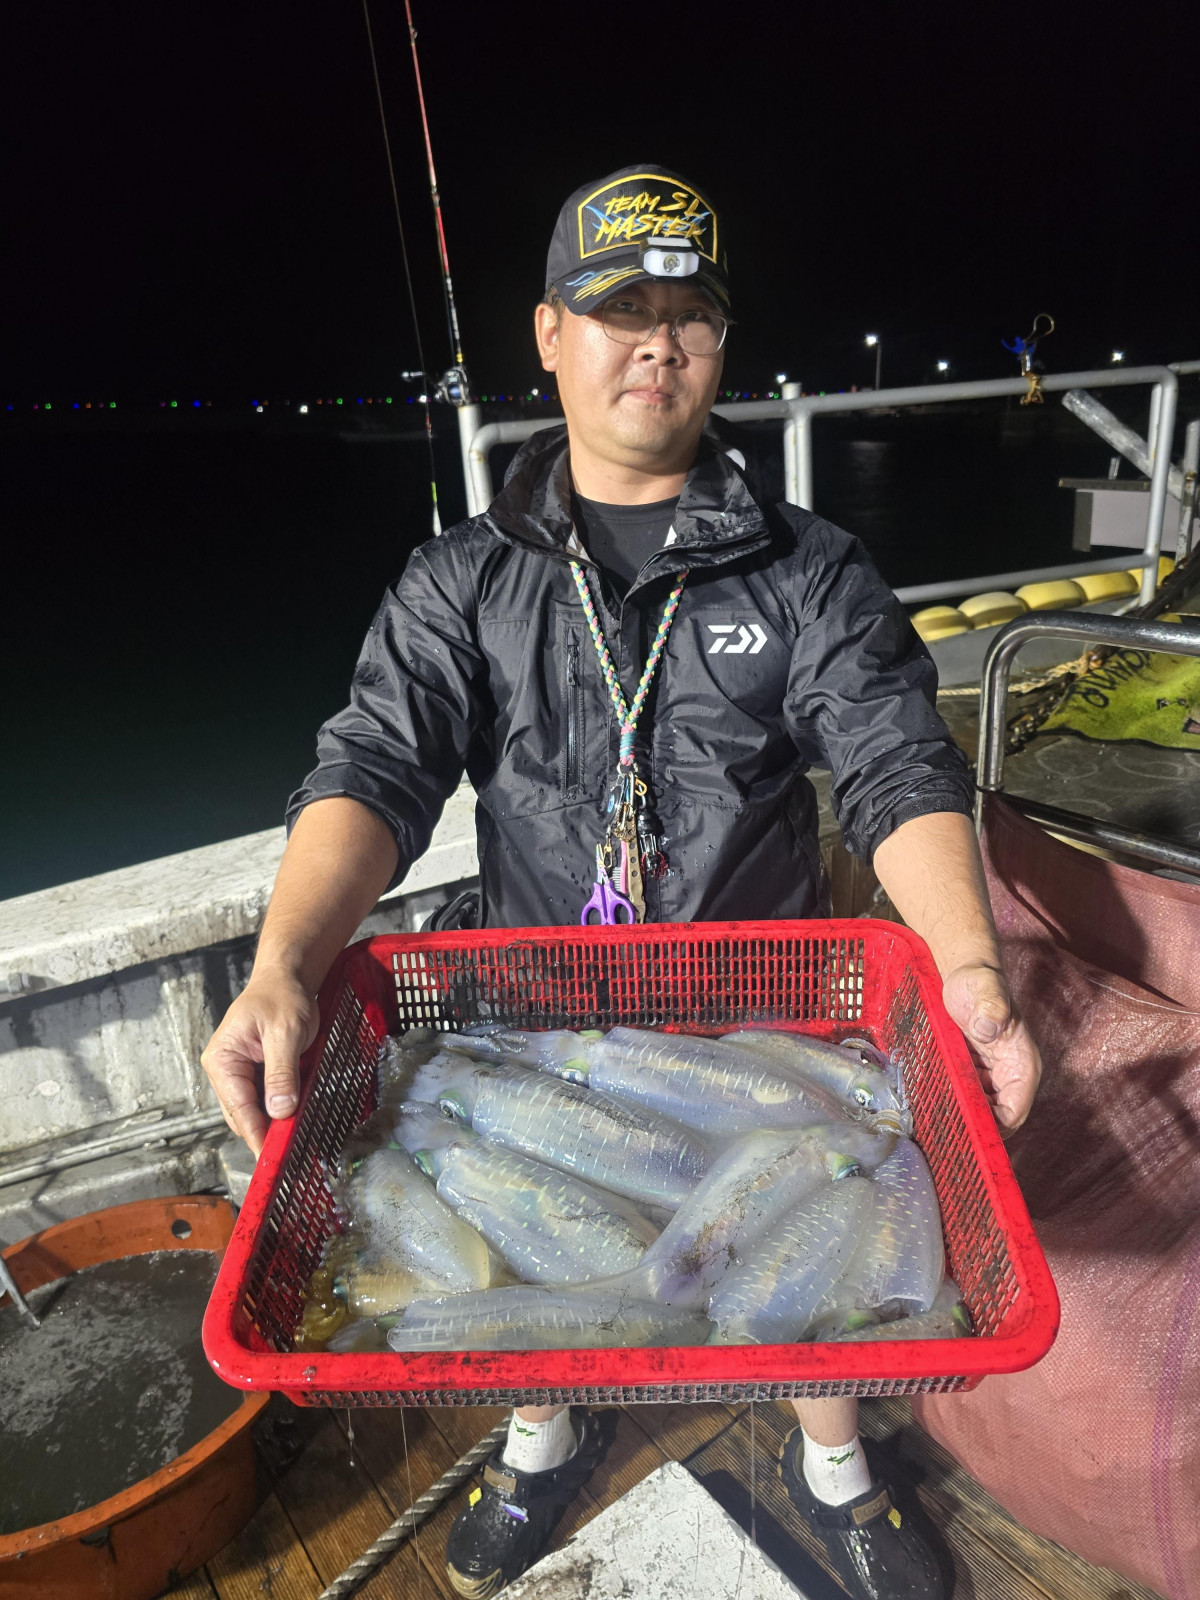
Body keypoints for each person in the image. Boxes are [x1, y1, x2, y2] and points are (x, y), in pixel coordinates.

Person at [202, 163, 1041, 1600]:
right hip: (539, 1003)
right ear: (549, 335)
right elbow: (376, 767)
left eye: (690, 315)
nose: (658, 343)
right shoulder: (461, 580)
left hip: (763, 1015)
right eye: (620, 310)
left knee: (818, 1211)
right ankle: (543, 1428)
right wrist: (281, 967)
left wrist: (970, 971)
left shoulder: (811, 571)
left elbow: (897, 765)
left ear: (721, 344)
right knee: (539, 1244)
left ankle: (835, 1462)